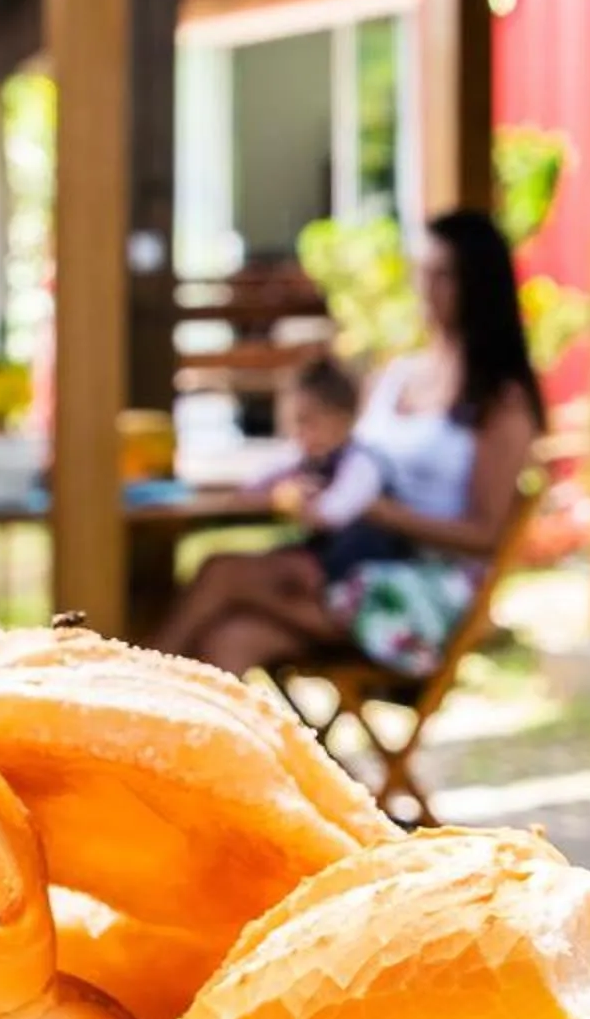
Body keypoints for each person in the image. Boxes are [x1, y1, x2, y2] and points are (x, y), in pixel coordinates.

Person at [155, 207, 544, 680]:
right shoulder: (396, 376)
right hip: (352, 558)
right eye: (423, 272)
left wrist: (379, 512)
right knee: (229, 640)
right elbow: (345, 462)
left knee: (222, 573)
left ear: (479, 285)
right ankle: (174, 745)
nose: (427, 288)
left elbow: (486, 536)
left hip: (417, 591)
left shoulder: (500, 401)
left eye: (444, 276)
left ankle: (125, 698)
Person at [271, 355, 411, 584]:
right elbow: (259, 480)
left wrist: (301, 502)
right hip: (332, 558)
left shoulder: (363, 464)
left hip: (363, 569)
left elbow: (332, 514)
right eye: (295, 423)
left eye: (308, 422)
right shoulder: (313, 459)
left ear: (343, 419)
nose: (300, 433)